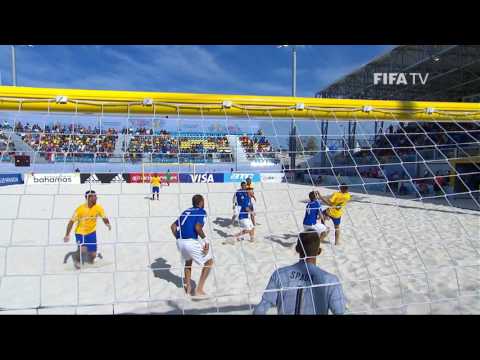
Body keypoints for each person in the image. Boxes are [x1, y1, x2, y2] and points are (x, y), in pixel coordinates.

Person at [253, 231, 346, 315]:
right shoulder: (330, 280)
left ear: (297, 249)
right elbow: (340, 311)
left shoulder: (280, 274)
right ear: (319, 252)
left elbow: (261, 308)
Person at [170, 194, 213, 297]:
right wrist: (206, 242)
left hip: (179, 241)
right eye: (203, 201)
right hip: (189, 241)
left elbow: (173, 226)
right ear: (201, 202)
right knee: (209, 262)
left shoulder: (186, 211)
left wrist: (178, 238)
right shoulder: (201, 211)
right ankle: (199, 289)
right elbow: (197, 228)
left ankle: (188, 287)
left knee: (188, 262)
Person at [64, 190, 111, 269]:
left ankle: (88, 260)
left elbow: (104, 217)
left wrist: (107, 224)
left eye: (96, 196)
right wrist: (67, 235)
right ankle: (76, 260)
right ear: (88, 198)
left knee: (92, 256)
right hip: (80, 233)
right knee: (83, 250)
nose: (96, 198)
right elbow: (71, 222)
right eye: (94, 197)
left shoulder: (98, 208)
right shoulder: (80, 209)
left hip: (92, 233)